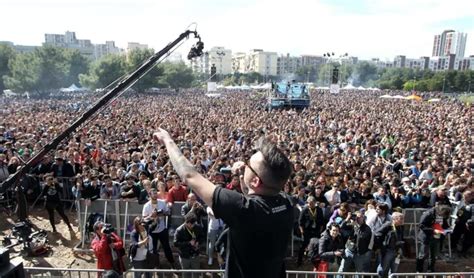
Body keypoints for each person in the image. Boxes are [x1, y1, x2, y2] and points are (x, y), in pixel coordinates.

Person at [154, 130, 293, 278]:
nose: (244, 166)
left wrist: (167, 140)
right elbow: (256, 198)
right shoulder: (287, 204)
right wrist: (242, 175)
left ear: (255, 181)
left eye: (248, 165)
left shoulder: (242, 209)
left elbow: (189, 176)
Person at [142, 188, 176, 268]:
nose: (155, 195)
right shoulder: (146, 206)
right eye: (153, 193)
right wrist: (152, 216)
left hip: (162, 229)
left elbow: (168, 212)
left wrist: (161, 213)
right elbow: (144, 219)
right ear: (149, 195)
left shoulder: (162, 203)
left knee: (166, 247)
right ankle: (156, 264)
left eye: (155, 193)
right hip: (152, 231)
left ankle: (172, 263)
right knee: (153, 249)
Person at [416, 205, 452, 273]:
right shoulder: (429, 214)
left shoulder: (443, 215)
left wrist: (448, 229)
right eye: (443, 215)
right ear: (440, 212)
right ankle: (419, 271)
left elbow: (444, 224)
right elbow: (421, 225)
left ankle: (430, 271)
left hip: (437, 237)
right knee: (423, 255)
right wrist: (433, 231)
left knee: (433, 255)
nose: (443, 217)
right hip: (426, 237)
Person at [338, 210, 373, 274]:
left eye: (359, 217)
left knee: (359, 272)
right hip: (349, 250)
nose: (357, 219)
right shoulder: (352, 225)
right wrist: (347, 219)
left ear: (363, 218)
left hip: (360, 254)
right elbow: (341, 229)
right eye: (356, 217)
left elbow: (361, 238)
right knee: (342, 269)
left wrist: (356, 226)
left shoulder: (367, 228)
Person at [174, 212, 205, 277]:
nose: (190, 226)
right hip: (184, 256)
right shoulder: (179, 230)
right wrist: (188, 243)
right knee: (186, 274)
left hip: (195, 254)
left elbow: (202, 237)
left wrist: (198, 242)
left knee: (196, 273)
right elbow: (176, 243)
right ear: (185, 222)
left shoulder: (198, 228)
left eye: (192, 224)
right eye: (189, 224)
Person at [374, 212, 405, 278]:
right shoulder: (388, 225)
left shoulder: (400, 227)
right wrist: (381, 246)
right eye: (401, 218)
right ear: (394, 218)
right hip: (388, 250)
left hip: (397, 251)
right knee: (383, 268)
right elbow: (377, 234)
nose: (403, 220)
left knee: (394, 270)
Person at [297, 196, 324, 266]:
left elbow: (322, 221)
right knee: (303, 246)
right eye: (308, 203)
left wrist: (320, 231)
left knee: (316, 246)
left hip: (316, 231)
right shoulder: (305, 210)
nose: (309, 204)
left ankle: (315, 261)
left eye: (311, 203)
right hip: (307, 231)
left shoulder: (319, 210)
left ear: (315, 203)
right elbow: (300, 222)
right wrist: (302, 232)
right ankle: (299, 261)